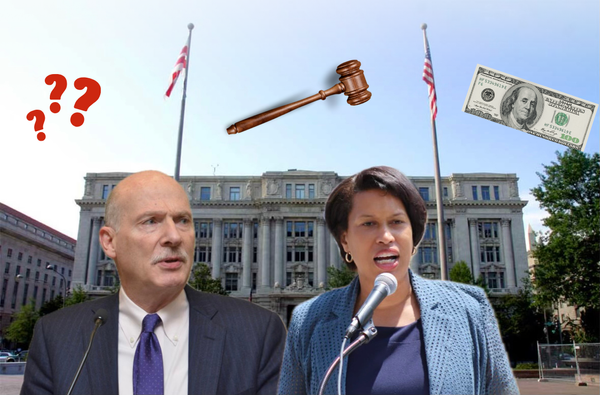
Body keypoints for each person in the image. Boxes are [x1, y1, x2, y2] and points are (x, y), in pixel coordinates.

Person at [21, 171, 286, 395]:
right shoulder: (55, 336)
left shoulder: (259, 332)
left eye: (183, 220)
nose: (174, 236)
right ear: (109, 242)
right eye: (151, 221)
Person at [278, 166, 518, 395]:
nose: (385, 236)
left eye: (397, 222)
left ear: (413, 236)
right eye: (368, 223)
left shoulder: (469, 309)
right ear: (345, 241)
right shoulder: (308, 319)